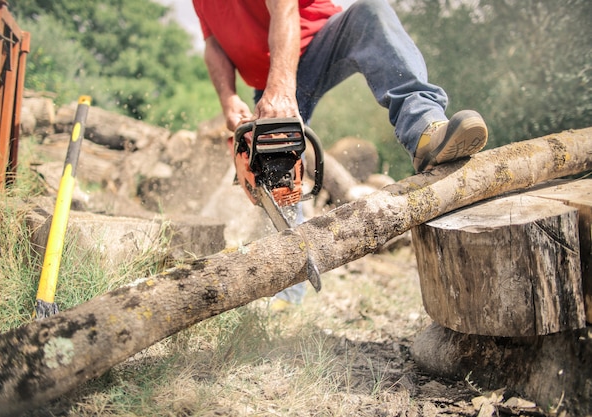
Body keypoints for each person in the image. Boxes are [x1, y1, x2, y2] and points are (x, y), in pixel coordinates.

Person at [192, 0, 488, 306]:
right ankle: (287, 293)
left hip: (317, 42)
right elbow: (213, 43)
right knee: (274, 169)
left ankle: (425, 129)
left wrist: (281, 88)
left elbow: (284, 9)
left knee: (370, 14)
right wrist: (228, 99)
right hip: (267, 78)